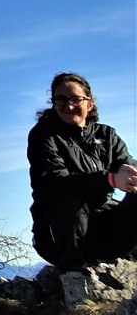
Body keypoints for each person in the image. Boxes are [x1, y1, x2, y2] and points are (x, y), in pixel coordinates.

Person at [28, 71, 137, 269]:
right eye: (61, 100)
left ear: (89, 103)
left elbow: (126, 162)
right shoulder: (44, 136)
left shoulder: (107, 136)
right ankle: (74, 276)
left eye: (75, 99)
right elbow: (55, 180)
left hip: (106, 228)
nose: (68, 106)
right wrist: (110, 180)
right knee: (68, 198)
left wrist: (129, 173)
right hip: (60, 233)